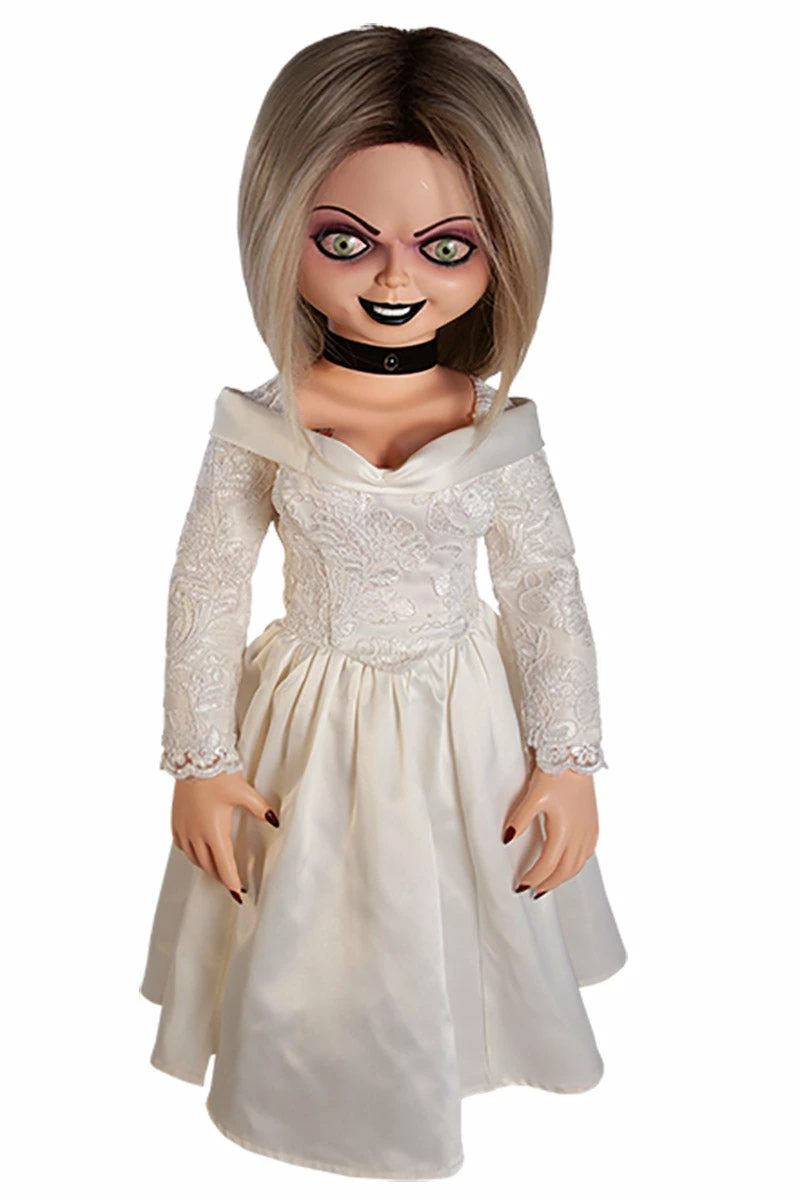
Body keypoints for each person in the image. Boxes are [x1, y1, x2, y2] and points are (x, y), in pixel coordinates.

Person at [140, 24, 627, 1180]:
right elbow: (207, 583)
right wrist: (200, 758)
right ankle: (314, 1082)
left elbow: (543, 587)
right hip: (309, 710)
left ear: (501, 247)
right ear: (283, 231)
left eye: (445, 246)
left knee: (461, 893)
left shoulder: (492, 428)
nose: (395, 280)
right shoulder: (261, 424)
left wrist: (565, 756)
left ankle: (449, 1046)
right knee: (307, 902)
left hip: (464, 712)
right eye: (345, 241)